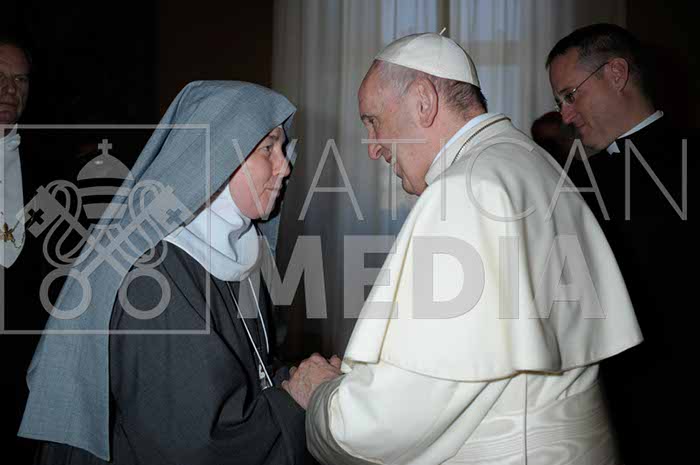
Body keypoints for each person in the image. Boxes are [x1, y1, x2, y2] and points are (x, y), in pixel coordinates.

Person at [297, 33, 643, 464]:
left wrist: (322, 396)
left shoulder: (465, 191)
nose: (373, 147)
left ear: (423, 101)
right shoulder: (527, 160)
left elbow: (400, 413)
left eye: (373, 121)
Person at [18, 80, 340, 464]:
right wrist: (296, 397)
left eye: (283, 148)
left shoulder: (238, 248)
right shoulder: (153, 280)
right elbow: (196, 444)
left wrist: (303, 378)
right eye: (267, 148)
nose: (285, 166)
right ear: (215, 155)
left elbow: (254, 366)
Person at [547, 23, 695, 464]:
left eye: (570, 95)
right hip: (612, 409)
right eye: (559, 102)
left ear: (615, 73)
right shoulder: (576, 180)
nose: (566, 115)